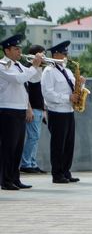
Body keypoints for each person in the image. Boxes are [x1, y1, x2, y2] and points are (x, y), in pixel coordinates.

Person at [1, 34, 43, 191]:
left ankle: (15, 178)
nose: (20, 51)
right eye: (16, 48)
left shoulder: (18, 65)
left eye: (20, 48)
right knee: (8, 147)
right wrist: (34, 66)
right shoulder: (3, 65)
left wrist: (38, 66)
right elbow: (19, 79)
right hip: (7, 110)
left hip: (19, 109)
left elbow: (34, 79)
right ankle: (5, 180)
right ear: (7, 50)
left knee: (18, 147)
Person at [40, 41, 81, 184]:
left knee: (69, 144)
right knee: (58, 145)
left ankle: (66, 171)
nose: (66, 56)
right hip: (57, 112)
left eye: (66, 53)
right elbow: (48, 94)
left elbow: (72, 88)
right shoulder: (49, 71)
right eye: (64, 54)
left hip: (69, 110)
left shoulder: (67, 71)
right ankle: (57, 174)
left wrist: (80, 85)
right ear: (56, 54)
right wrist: (67, 97)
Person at [20, 44, 46, 175]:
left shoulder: (41, 71)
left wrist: (44, 110)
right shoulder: (30, 70)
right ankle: (26, 163)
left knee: (35, 138)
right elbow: (26, 91)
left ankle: (32, 163)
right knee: (33, 137)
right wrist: (28, 108)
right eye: (42, 55)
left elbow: (41, 92)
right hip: (33, 108)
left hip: (39, 108)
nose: (45, 58)